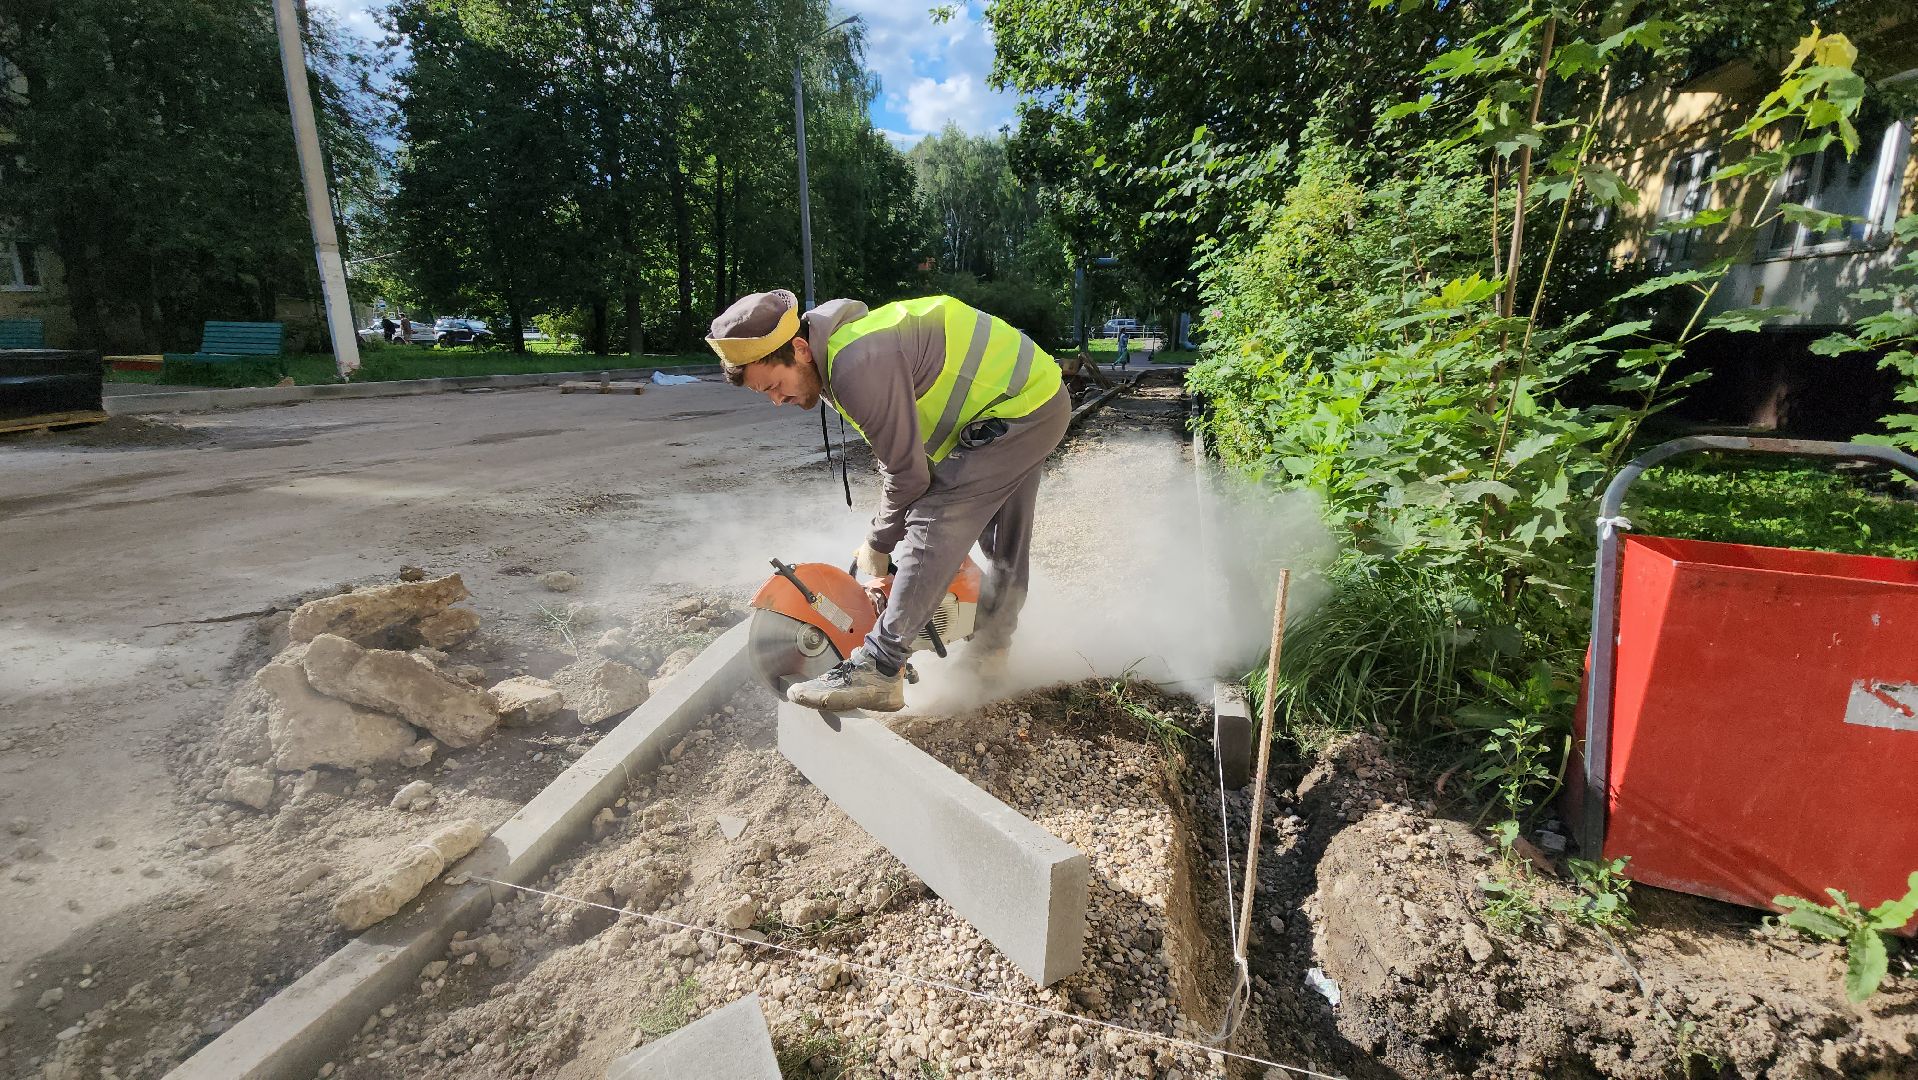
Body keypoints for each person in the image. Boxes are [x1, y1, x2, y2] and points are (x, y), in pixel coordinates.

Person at [706, 289, 1068, 712]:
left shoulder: (857, 363)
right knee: (1003, 541)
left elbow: (907, 474)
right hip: (1034, 398)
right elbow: (906, 459)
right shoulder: (839, 352)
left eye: (774, 385)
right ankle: (993, 650)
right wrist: (884, 536)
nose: (776, 400)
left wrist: (878, 544)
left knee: (934, 523)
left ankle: (880, 666)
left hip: (1017, 409)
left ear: (799, 349)